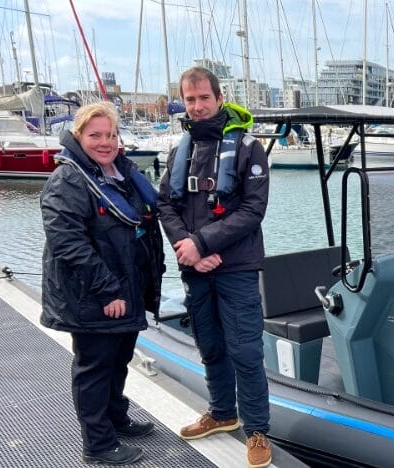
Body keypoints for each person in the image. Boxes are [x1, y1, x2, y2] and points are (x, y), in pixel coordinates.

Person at [157, 66, 271, 468]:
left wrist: (203, 242)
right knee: (210, 345)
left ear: (220, 98)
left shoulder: (248, 149)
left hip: (236, 265)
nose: (198, 106)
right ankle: (222, 413)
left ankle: (257, 430)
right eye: (190, 100)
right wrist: (188, 248)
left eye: (204, 98)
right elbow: (165, 205)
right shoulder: (178, 152)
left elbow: (254, 210)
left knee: (245, 349)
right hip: (195, 266)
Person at [40, 102, 165, 465]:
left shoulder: (118, 174)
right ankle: (97, 444)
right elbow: (68, 243)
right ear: (78, 136)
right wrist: (107, 289)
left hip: (128, 288)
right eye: (95, 135)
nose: (105, 142)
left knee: (119, 359)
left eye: (111, 135)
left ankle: (115, 417)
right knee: (94, 366)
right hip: (95, 295)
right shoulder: (68, 180)